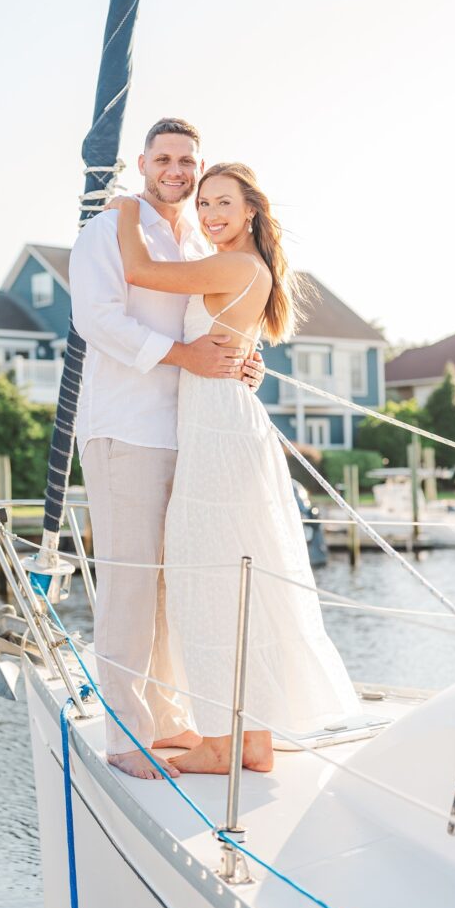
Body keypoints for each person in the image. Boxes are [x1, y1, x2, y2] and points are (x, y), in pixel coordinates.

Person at [110, 161, 360, 775]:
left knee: (212, 577)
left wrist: (123, 207)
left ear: (251, 209)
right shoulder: (251, 269)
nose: (211, 214)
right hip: (223, 424)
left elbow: (139, 270)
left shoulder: (236, 265)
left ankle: (224, 744)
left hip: (220, 434)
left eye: (223, 202)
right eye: (204, 205)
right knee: (234, 573)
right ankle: (254, 740)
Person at [69, 118, 265, 781]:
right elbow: (96, 318)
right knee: (129, 581)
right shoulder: (108, 230)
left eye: (187, 160)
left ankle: (167, 715)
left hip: (187, 428)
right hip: (125, 428)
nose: (176, 171)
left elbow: (216, 322)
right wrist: (187, 356)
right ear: (143, 162)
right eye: (164, 159)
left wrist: (240, 362)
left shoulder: (194, 236)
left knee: (171, 582)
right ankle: (125, 735)